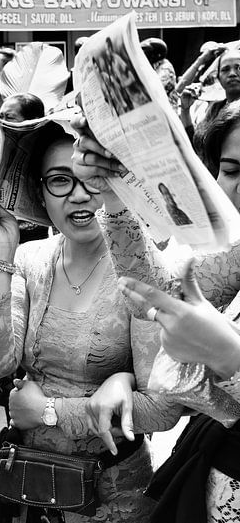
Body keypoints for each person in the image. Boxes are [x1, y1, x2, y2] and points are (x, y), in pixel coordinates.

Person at [0, 122, 182, 522]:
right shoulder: (30, 258)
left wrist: (50, 410)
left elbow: (164, 407)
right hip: (26, 483)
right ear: (40, 192)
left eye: (93, 178)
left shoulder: (143, 270)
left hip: (109, 491)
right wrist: (1, 253)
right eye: (60, 180)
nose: (80, 194)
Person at [72, 104, 240, 523]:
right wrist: (113, 197)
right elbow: (158, 295)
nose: (237, 188)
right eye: (233, 169)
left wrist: (229, 359)